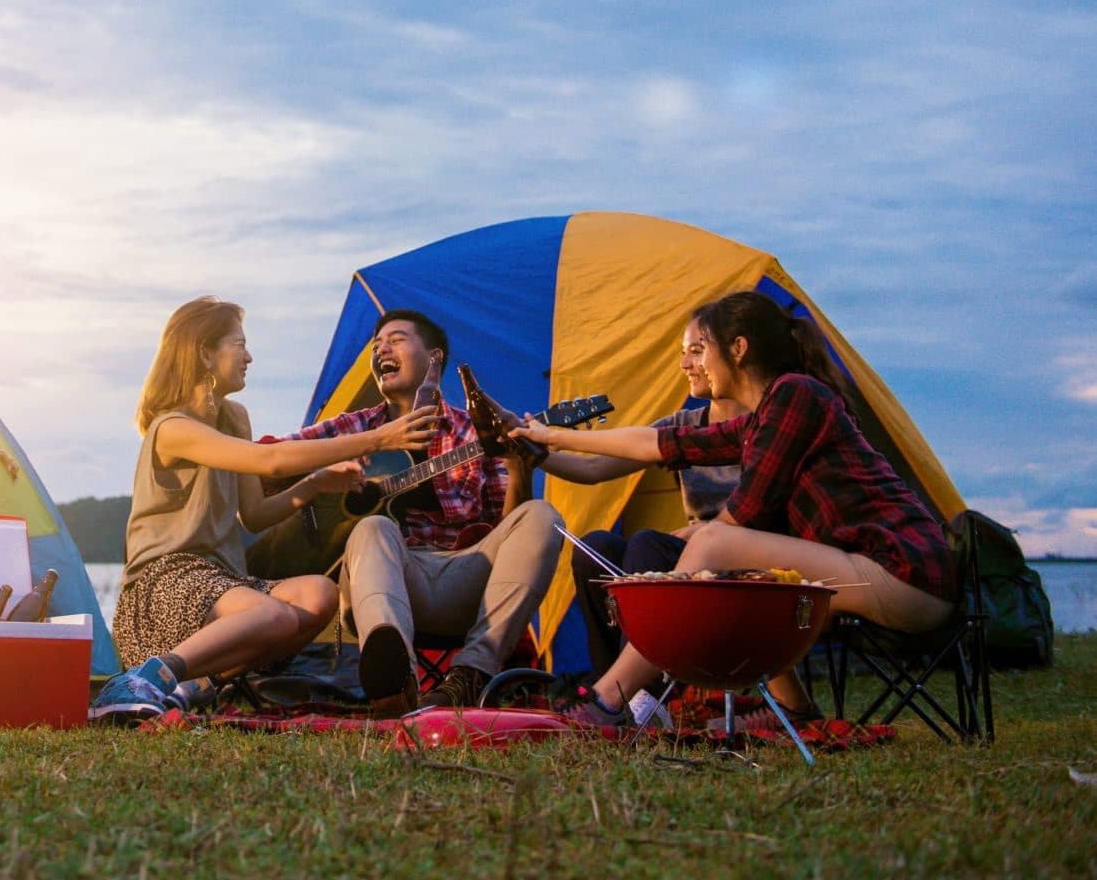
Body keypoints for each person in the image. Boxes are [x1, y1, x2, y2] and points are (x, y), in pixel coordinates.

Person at [513, 291, 958, 731]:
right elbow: (656, 444)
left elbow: (743, 516)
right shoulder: (766, 414)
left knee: (716, 542)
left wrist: (683, 552)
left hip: (903, 576)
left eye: (700, 350)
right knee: (732, 564)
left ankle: (611, 698)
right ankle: (795, 709)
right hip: (870, 571)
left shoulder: (796, 395)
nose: (692, 364)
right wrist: (550, 436)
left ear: (738, 348)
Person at [90, 297, 441, 724]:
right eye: (239, 344)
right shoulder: (173, 428)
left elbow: (253, 515)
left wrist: (316, 484)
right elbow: (271, 462)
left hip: (221, 582)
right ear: (204, 353)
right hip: (162, 586)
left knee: (320, 595)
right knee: (271, 612)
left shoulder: (234, 417)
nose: (249, 356)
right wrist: (377, 438)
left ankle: (191, 687)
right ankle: (145, 678)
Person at [276, 310, 564, 712]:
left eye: (395, 340)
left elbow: (509, 529)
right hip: (383, 584)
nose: (381, 350)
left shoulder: (473, 432)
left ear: (434, 358)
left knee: (542, 517)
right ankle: (395, 683)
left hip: (464, 579)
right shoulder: (355, 428)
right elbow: (273, 454)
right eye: (376, 346)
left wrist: (518, 467)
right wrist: (322, 480)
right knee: (373, 526)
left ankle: (471, 675)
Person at [541, 320, 745, 682]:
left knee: (647, 545)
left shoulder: (769, 424)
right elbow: (596, 468)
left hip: (740, 558)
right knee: (595, 547)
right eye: (683, 354)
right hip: (689, 555)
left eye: (696, 351)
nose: (684, 365)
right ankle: (608, 688)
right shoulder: (685, 423)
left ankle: (635, 696)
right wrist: (532, 452)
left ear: (737, 352)